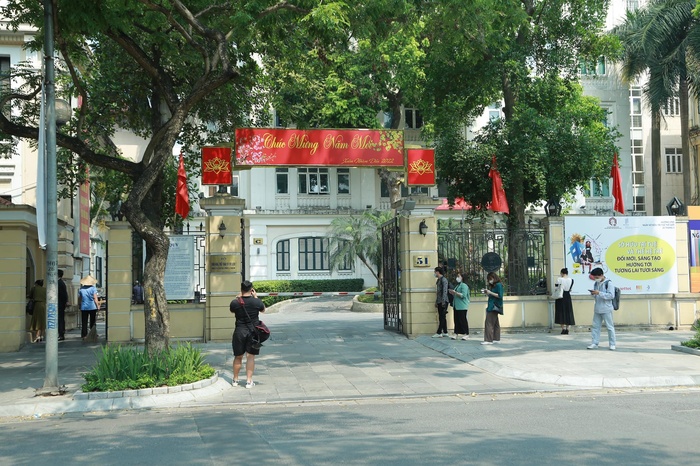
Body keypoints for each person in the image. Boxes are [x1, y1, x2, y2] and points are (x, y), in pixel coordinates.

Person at [229, 280, 266, 388]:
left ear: (241, 289)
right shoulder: (257, 302)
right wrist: (255, 297)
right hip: (252, 332)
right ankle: (249, 381)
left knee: (238, 356)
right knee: (250, 357)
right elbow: (263, 310)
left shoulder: (235, 302)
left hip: (239, 332)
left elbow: (232, 311)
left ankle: (235, 380)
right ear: (251, 289)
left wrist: (238, 297)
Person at [587, 267, 616, 350]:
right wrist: (593, 293)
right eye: (594, 277)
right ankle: (594, 343)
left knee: (610, 327)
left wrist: (599, 293)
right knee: (595, 327)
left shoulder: (609, 283)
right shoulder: (596, 284)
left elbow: (611, 295)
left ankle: (612, 344)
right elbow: (596, 295)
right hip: (597, 308)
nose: (596, 279)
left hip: (606, 308)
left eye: (597, 277)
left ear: (602, 275)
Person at [481, 272, 504, 345]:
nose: (489, 281)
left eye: (490, 279)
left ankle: (488, 340)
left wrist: (490, 292)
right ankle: (496, 338)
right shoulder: (494, 286)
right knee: (495, 323)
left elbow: (500, 295)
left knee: (489, 323)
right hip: (492, 305)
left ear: (494, 278)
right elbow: (492, 296)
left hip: (494, 306)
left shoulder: (498, 285)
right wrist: (487, 293)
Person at [449, 272, 470, 340]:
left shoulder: (464, 285)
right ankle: (456, 333)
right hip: (456, 306)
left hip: (462, 306)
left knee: (462, 320)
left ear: (462, 277)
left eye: (459, 276)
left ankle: (466, 333)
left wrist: (455, 292)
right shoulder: (458, 285)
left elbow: (463, 295)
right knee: (456, 320)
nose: (457, 278)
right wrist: (453, 292)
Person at [554, 268, 575, 334]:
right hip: (567, 296)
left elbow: (556, 288)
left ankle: (563, 328)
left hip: (560, 296)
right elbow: (570, 289)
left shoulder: (559, 279)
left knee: (560, 312)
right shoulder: (571, 280)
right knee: (568, 311)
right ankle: (567, 328)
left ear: (562, 273)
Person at [78, 275, 99, 340]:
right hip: (92, 306)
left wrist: (79, 305)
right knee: (92, 321)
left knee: (84, 321)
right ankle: (93, 333)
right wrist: (97, 305)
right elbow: (95, 298)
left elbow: (80, 298)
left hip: (84, 307)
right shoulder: (93, 288)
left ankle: (84, 335)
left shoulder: (81, 289)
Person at [432, 266, 449, 338]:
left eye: (435, 272)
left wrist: (443, 301)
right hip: (439, 301)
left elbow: (445, 291)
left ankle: (439, 332)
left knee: (442, 317)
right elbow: (438, 292)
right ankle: (445, 331)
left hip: (443, 301)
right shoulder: (438, 280)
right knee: (442, 317)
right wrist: (437, 301)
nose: (434, 273)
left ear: (438, 272)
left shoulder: (444, 280)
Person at [57, 269, 69, 341]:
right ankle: (61, 333)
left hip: (60, 304)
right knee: (60, 319)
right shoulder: (61, 283)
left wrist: (65, 302)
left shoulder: (59, 283)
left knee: (60, 319)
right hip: (61, 304)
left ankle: (61, 334)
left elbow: (63, 294)